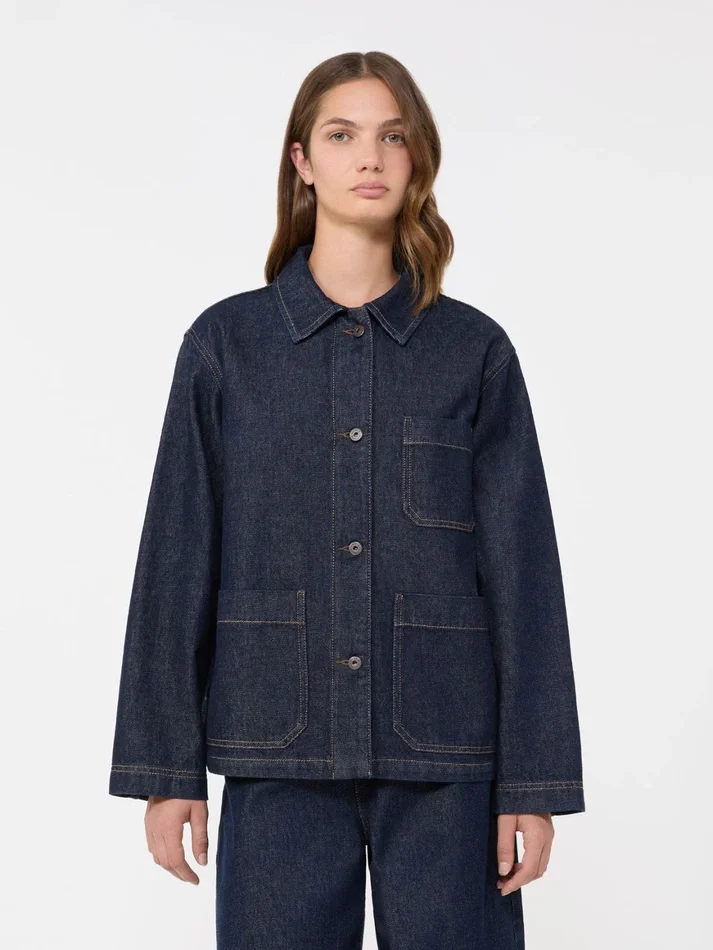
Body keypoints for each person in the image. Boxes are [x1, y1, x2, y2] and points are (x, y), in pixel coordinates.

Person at [109, 50, 585, 949]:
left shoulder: (473, 352)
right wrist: (165, 768)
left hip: (447, 753)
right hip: (273, 743)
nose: (369, 156)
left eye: (392, 137)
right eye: (341, 135)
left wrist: (532, 781)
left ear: (417, 159)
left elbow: (524, 575)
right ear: (301, 161)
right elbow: (176, 556)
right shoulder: (226, 347)